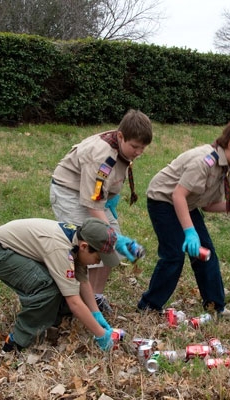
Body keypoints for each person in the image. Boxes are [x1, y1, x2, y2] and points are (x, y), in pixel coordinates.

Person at [137, 120, 230, 316]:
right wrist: (189, 232)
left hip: (186, 204)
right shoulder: (203, 161)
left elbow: (208, 205)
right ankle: (149, 305)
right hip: (163, 201)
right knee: (174, 254)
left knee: (205, 252)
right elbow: (177, 195)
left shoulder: (226, 167)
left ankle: (214, 305)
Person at [50, 109, 153, 314]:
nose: (139, 152)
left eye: (143, 148)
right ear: (121, 136)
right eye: (135, 147)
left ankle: (95, 298)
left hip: (96, 197)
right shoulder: (101, 156)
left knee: (110, 249)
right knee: (91, 246)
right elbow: (92, 202)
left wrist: (111, 205)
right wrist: (115, 236)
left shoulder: (122, 144)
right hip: (70, 193)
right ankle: (74, 303)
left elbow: (101, 191)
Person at [0, 217, 119, 352]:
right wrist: (102, 335)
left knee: (63, 285)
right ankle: (17, 341)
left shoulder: (78, 238)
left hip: (10, 249)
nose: (98, 262)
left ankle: (48, 320)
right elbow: (74, 303)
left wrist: (95, 313)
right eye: (98, 257)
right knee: (47, 287)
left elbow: (82, 278)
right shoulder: (60, 249)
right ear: (84, 246)